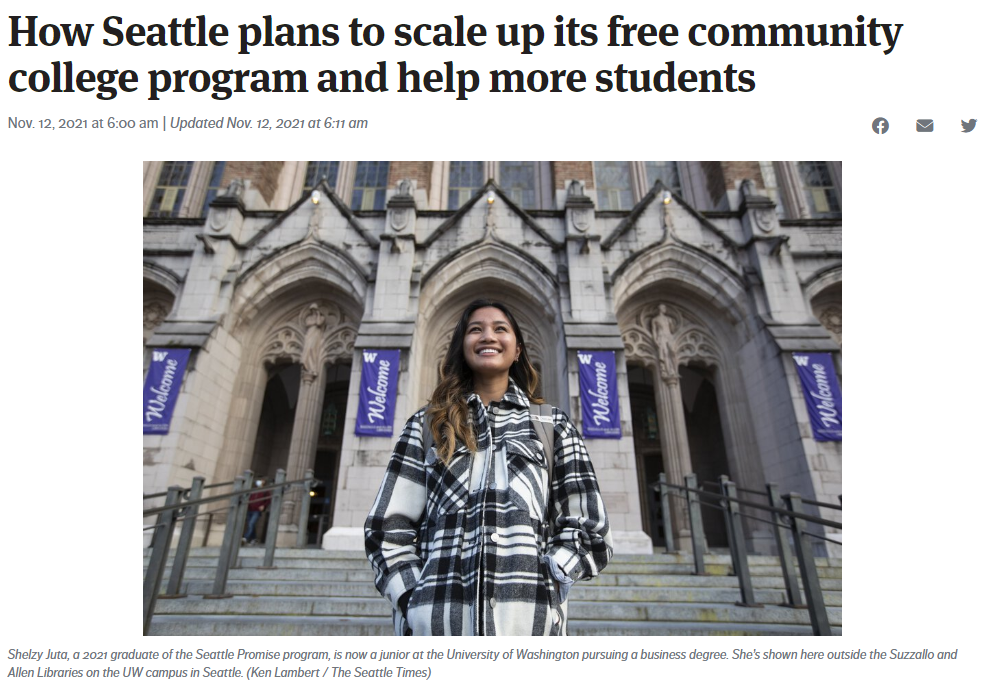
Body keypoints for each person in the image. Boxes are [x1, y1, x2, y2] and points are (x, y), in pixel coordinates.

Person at [365, 299, 613, 635]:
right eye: (475, 329)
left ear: (518, 350)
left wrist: (551, 579)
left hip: (528, 630)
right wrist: (411, 597)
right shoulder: (427, 425)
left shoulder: (551, 425)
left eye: (500, 329)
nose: (488, 336)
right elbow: (386, 526)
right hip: (436, 628)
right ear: (462, 346)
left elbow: (589, 526)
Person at [243, 478, 270, 546]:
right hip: (250, 509)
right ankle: (254, 539)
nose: (259, 482)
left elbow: (268, 500)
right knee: (251, 524)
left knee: (251, 524)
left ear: (264, 481)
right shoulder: (253, 490)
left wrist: (263, 506)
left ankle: (245, 538)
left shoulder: (265, 491)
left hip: (257, 510)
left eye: (260, 480)